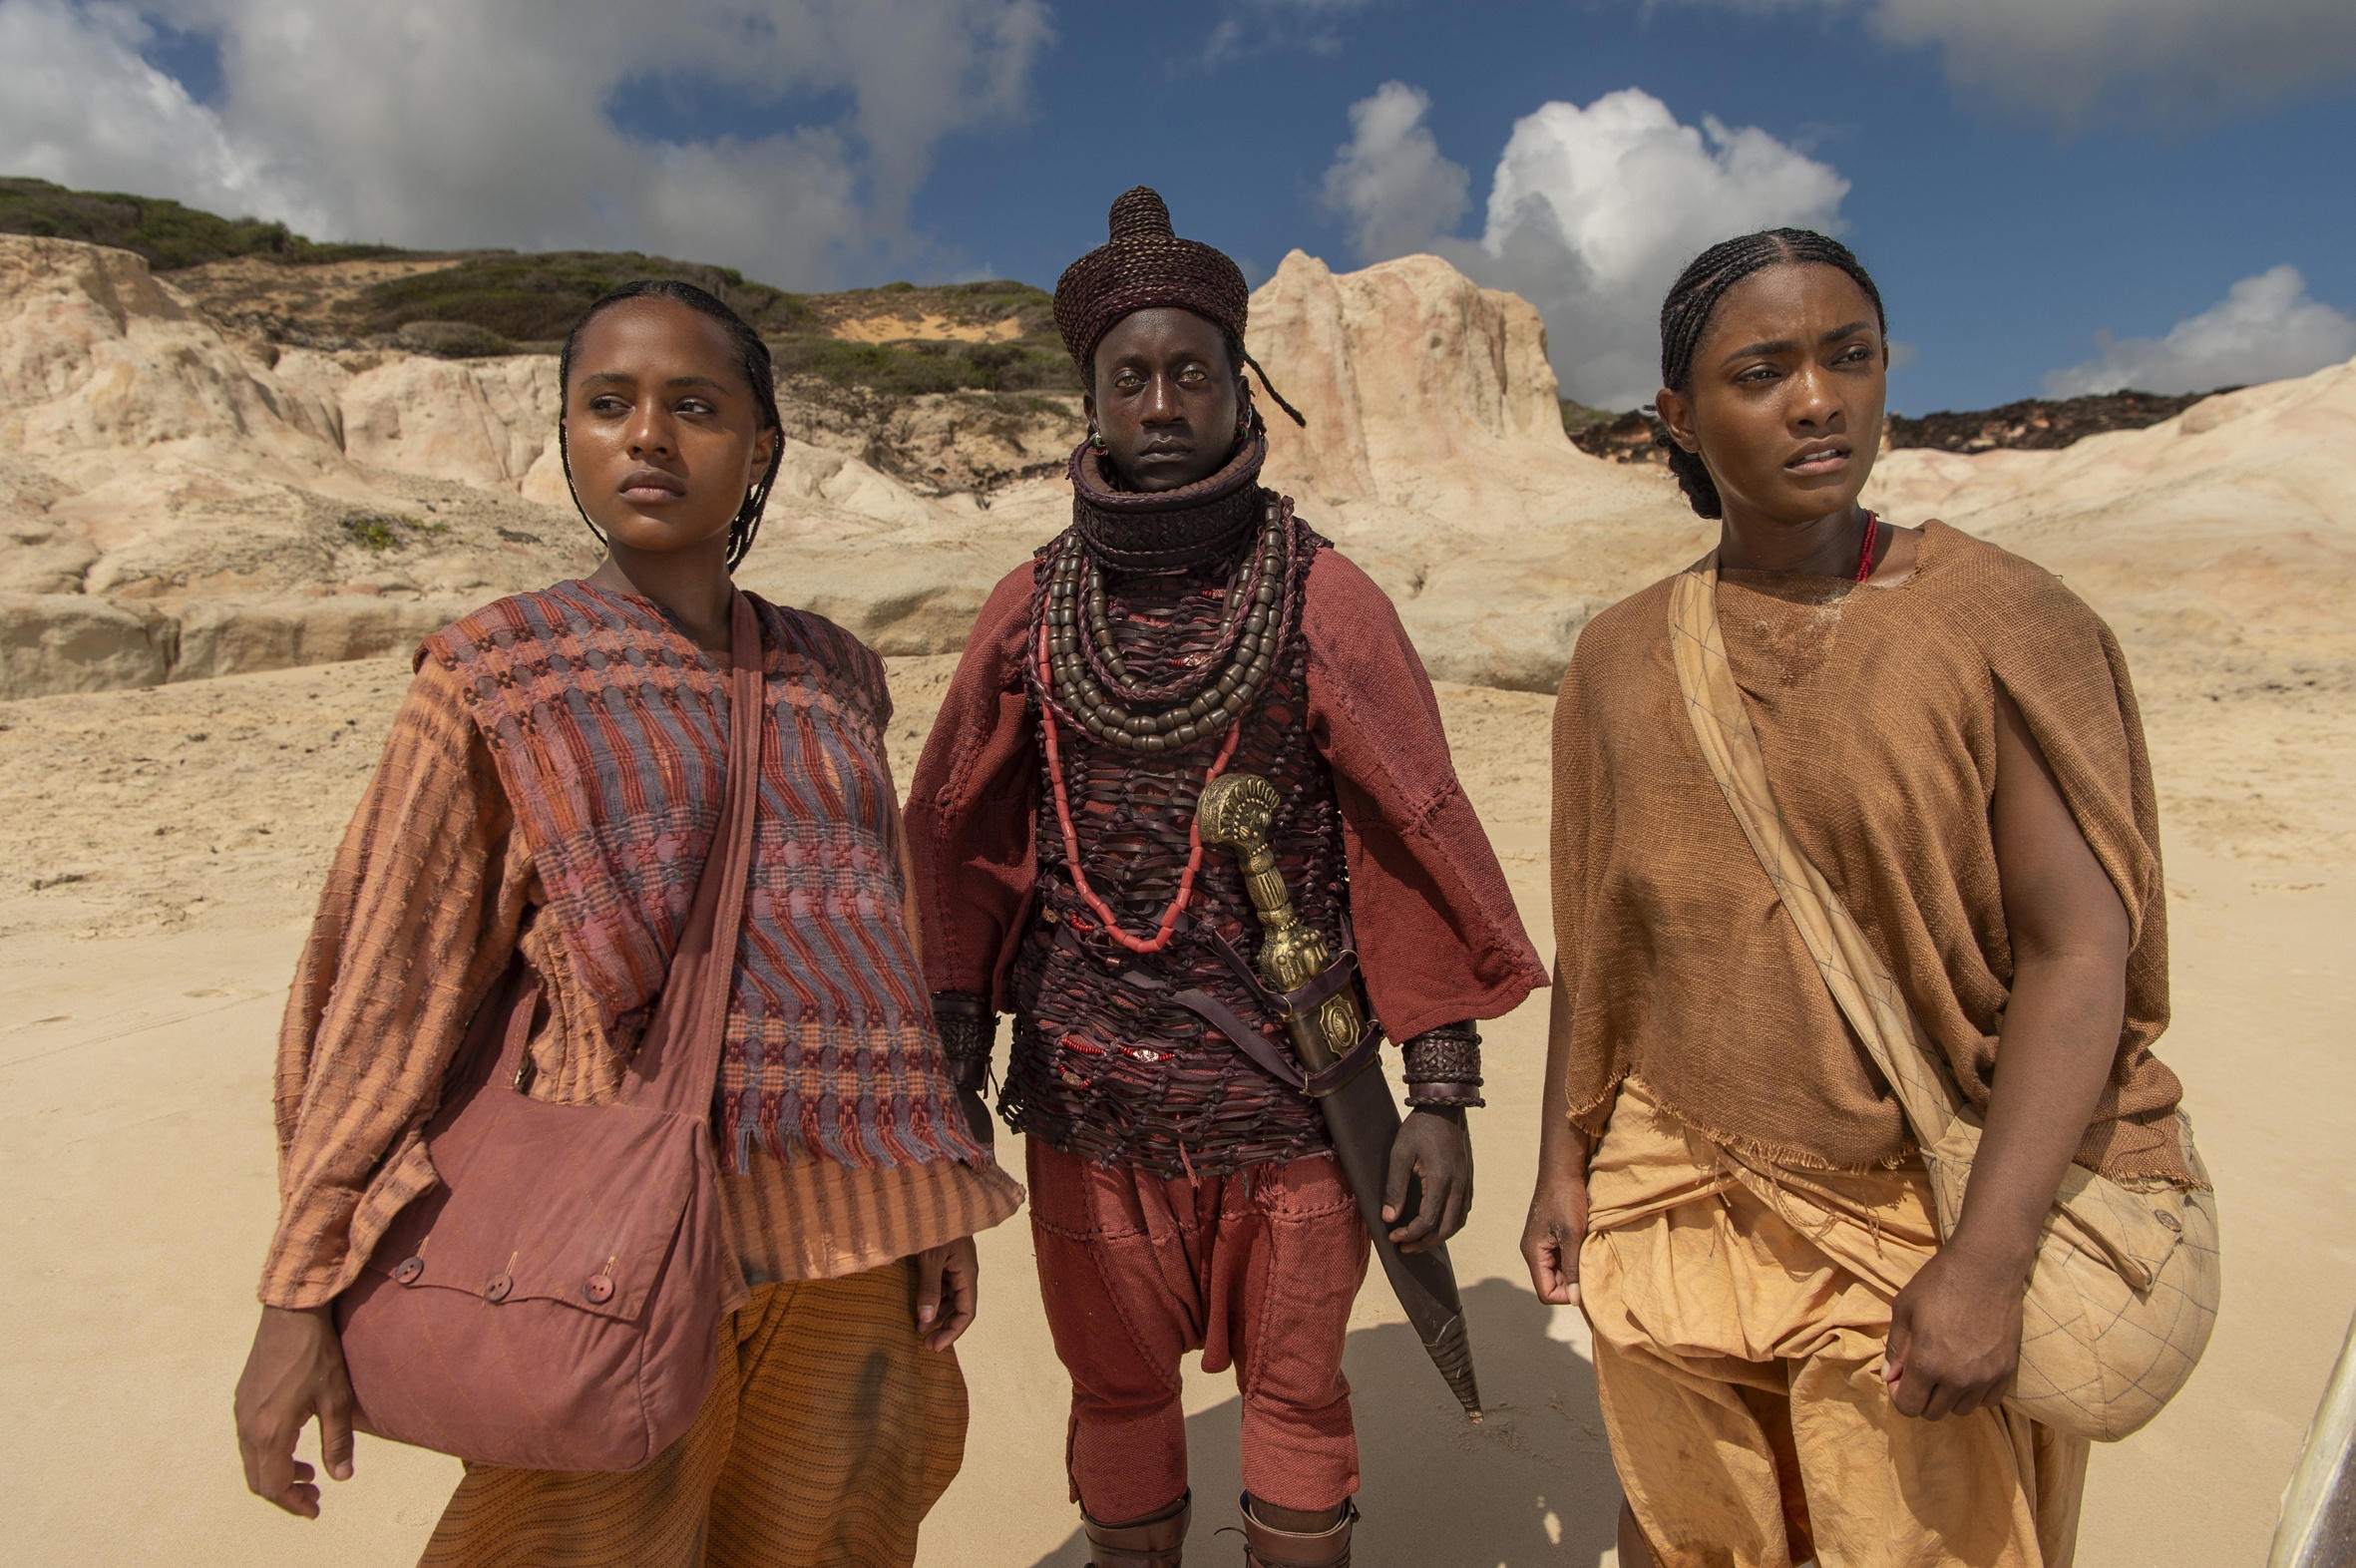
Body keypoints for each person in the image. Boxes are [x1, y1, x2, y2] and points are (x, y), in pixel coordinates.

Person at [231, 279, 1021, 1566]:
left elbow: (877, 954)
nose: (648, 436)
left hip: (850, 1249)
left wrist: (926, 1198)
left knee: (827, 1537)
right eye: (609, 405)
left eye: (694, 406)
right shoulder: (498, 673)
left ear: (759, 446)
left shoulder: (834, 675)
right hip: (620, 1243)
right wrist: (298, 1290)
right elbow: (386, 990)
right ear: (568, 434)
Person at [1522, 228, 2204, 1568]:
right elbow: (1599, 946)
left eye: (1848, 357)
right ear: (1677, 415)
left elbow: (2081, 954)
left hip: (1915, 1214)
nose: (1816, 399)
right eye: (1761, 369)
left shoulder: (1995, 625)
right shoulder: (1617, 658)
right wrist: (1559, 1160)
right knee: (1692, 1533)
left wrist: (1988, 1265)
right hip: (1672, 1202)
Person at [907, 187, 1546, 1568]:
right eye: (1128, 376)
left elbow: (1409, 840)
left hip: (1298, 1102)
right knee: (1118, 1395)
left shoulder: (1323, 600)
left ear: (1234, 386)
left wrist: (1436, 1094)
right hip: (1083, 1097)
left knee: (1301, 1394)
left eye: (1187, 373)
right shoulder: (1028, 608)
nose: (1158, 402)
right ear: (1087, 397)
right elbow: (956, 839)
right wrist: (946, 1066)